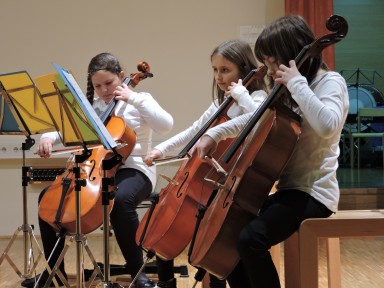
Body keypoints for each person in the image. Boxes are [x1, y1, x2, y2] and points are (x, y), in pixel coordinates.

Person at [194, 15, 349, 288]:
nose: (266, 68)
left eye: (269, 60)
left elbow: (327, 126)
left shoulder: (330, 82)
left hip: (315, 192)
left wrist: (297, 83)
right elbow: (257, 120)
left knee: (250, 239)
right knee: (228, 239)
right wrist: (213, 133)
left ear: (290, 54)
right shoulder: (288, 89)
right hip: (289, 190)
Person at [22, 52, 173, 288]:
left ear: (121, 76)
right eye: (98, 85)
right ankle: (55, 274)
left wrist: (133, 98)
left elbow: (166, 125)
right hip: (97, 169)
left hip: (136, 169)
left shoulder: (140, 98)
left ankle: (138, 273)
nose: (104, 90)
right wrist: (49, 137)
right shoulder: (91, 107)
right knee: (47, 200)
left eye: (109, 83)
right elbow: (66, 130)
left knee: (120, 200)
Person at [144, 39, 267, 288]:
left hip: (232, 186)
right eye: (215, 70)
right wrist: (161, 148)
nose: (219, 77)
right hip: (211, 182)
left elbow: (258, 119)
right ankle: (166, 282)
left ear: (243, 69)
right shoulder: (221, 102)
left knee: (209, 241)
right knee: (165, 215)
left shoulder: (257, 96)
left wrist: (242, 95)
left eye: (225, 70)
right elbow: (195, 130)